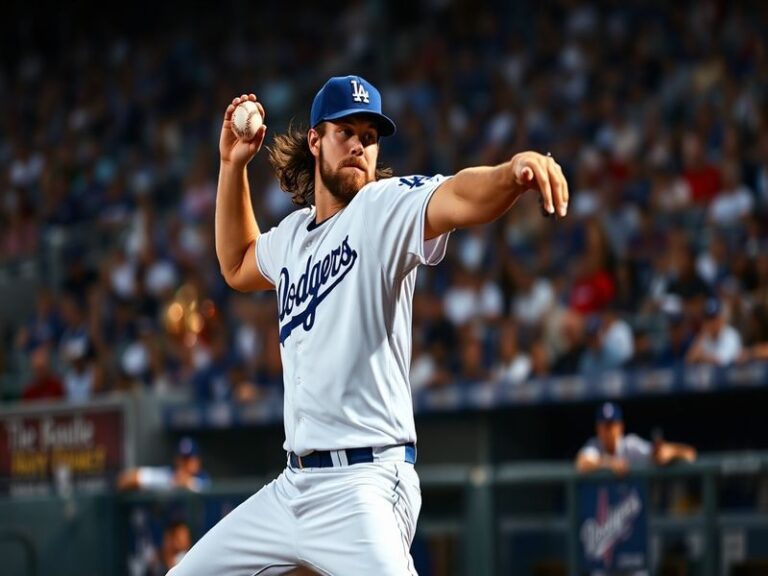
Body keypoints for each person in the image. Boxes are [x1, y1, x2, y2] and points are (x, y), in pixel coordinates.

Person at [170, 74, 568, 576]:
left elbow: (458, 197)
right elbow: (235, 263)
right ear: (315, 140)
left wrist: (511, 173)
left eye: (371, 136)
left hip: (366, 483)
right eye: (346, 131)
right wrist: (232, 165)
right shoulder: (292, 236)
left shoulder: (383, 208)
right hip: (292, 486)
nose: (360, 144)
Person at [575, 402, 697, 475]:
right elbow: (582, 463)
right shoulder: (594, 445)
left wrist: (670, 451)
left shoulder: (630, 445)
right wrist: (609, 464)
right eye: (605, 426)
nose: (609, 430)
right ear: (598, 428)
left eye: (612, 425)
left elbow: (657, 453)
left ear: (620, 427)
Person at [118, 437, 210, 492]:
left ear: (198, 460)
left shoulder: (204, 479)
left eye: (189, 459)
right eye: (182, 459)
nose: (185, 464)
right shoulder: (170, 476)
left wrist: (186, 483)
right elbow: (130, 478)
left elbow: (199, 486)